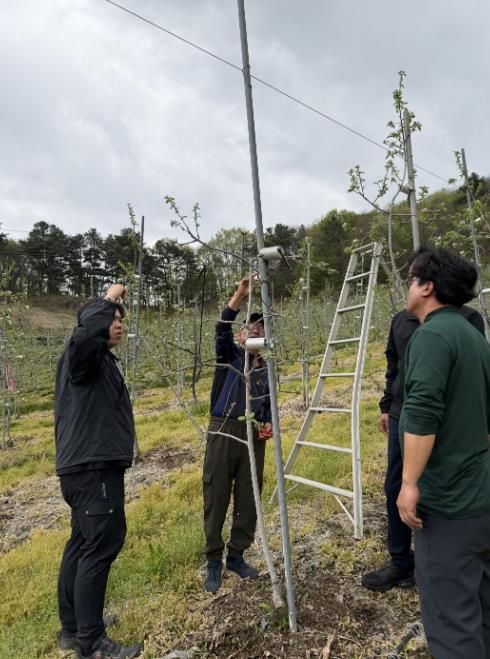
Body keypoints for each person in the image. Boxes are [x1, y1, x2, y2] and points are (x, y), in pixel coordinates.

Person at [395, 247, 490, 658]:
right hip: (480, 498)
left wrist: (409, 482)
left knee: (452, 624)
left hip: (448, 505)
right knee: (481, 608)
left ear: (427, 287)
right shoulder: (472, 337)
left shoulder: (431, 337)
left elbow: (422, 413)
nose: (407, 287)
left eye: (410, 279)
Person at [362, 300, 484, 592]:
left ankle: (443, 560)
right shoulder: (401, 320)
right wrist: (386, 406)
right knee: (396, 486)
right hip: (402, 414)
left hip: (447, 418)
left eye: (416, 280)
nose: (411, 285)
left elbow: (476, 372)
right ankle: (401, 561)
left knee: (441, 484)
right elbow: (393, 367)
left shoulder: (467, 319)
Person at [55, 284, 141, 659]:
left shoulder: (96, 360)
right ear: (95, 321)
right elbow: (87, 331)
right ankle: (91, 643)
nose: (118, 324)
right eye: (113, 318)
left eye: (121, 319)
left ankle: (74, 628)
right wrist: (108, 298)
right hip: (93, 468)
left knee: (81, 542)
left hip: (85, 466)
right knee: (102, 544)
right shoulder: (83, 354)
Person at [203, 276, 272, 594]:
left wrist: (267, 423)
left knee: (249, 494)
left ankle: (236, 556)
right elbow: (220, 328)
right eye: (250, 327)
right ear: (240, 334)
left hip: (253, 435)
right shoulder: (229, 356)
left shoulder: (265, 369)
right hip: (224, 429)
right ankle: (213, 559)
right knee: (216, 494)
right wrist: (240, 294)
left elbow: (267, 402)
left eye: (261, 328)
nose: (255, 330)